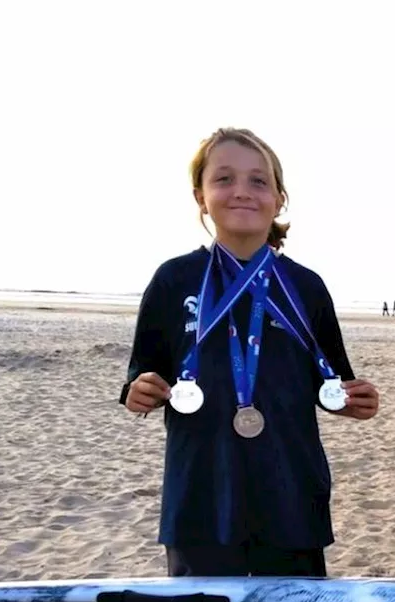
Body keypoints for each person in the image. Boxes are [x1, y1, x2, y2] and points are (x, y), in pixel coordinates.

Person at [120, 127, 380, 578]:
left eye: (258, 181)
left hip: (291, 499)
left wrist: (353, 401)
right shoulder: (173, 280)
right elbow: (143, 374)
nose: (242, 191)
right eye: (224, 179)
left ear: (279, 199)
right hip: (201, 501)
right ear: (201, 197)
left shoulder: (305, 287)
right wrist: (137, 390)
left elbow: (331, 384)